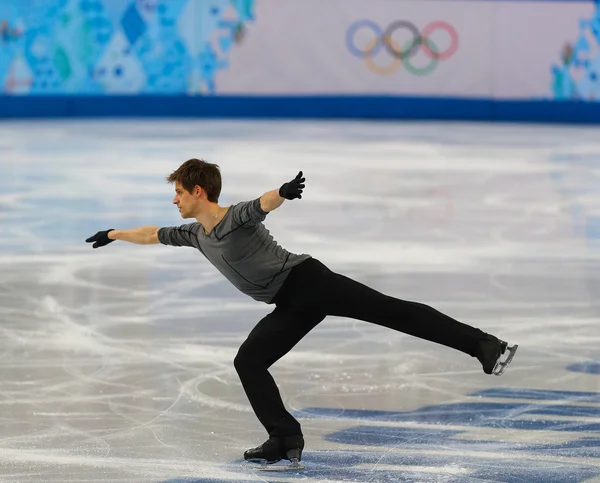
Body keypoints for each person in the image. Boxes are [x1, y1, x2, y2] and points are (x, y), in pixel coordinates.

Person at [86, 158, 517, 470]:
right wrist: (113, 233)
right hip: (288, 303)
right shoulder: (195, 235)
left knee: (391, 311)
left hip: (308, 282)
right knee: (249, 361)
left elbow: (262, 203)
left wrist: (284, 192)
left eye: (178, 191)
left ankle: (484, 345)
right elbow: (150, 235)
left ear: (198, 191)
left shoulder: (233, 218)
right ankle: (284, 437)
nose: (174, 200)